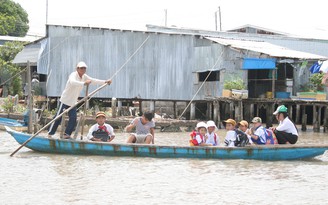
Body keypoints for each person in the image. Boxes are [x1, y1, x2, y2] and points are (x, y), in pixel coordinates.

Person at [48, 61, 112, 139]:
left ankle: (67, 134)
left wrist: (105, 81)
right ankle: (50, 133)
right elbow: (73, 82)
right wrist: (84, 83)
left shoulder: (84, 76)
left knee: (73, 118)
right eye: (81, 68)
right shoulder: (73, 75)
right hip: (65, 100)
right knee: (58, 117)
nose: (83, 70)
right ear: (77, 69)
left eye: (84, 68)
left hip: (73, 102)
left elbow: (93, 80)